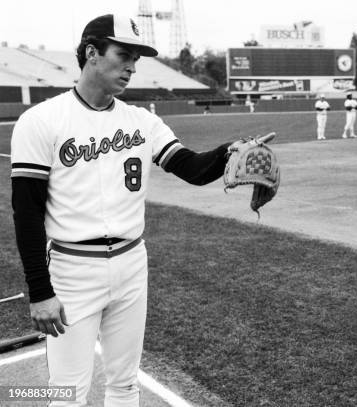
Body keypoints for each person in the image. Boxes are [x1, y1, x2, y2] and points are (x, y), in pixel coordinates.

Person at [10, 14, 239, 406]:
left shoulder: (142, 121)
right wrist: (40, 291)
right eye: (124, 54)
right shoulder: (41, 120)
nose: (132, 66)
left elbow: (191, 168)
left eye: (137, 58)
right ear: (92, 53)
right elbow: (26, 212)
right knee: (67, 394)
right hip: (72, 267)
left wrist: (228, 152)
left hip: (132, 263)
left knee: (124, 384)